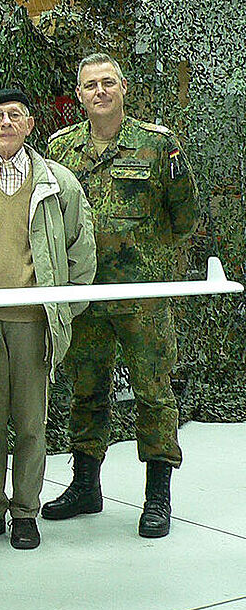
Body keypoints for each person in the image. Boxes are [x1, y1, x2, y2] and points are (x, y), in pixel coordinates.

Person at [43, 53, 200, 537]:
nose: (100, 91)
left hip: (142, 298)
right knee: (86, 391)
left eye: (108, 82)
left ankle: (157, 497)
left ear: (123, 87)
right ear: (80, 94)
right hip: (86, 295)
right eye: (91, 85)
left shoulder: (157, 145)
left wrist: (149, 258)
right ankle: (85, 485)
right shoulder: (60, 149)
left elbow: (185, 215)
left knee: (154, 393)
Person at [0, 88, 96, 550]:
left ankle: (25, 513)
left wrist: (62, 310)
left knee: (32, 425)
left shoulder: (57, 183)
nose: (6, 123)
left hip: (34, 324)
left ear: (30, 125)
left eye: (15, 115)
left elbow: (81, 250)